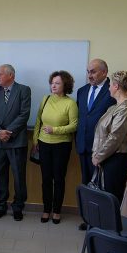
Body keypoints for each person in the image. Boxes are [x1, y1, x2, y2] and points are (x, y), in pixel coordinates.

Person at [32, 71, 78, 224]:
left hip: (62, 146)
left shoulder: (70, 103)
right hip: (44, 144)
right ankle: (46, 210)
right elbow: (38, 120)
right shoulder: (45, 99)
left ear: (65, 85)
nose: (53, 85)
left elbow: (74, 125)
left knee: (58, 179)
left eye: (57, 83)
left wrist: (55, 130)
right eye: (52, 82)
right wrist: (35, 140)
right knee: (46, 179)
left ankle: (57, 211)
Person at [0, 64, 31, 221]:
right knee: (1, 175)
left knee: (19, 176)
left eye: (0, 74)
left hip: (16, 140)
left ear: (10, 75)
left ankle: (18, 207)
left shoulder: (23, 90)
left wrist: (8, 132)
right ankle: (1, 206)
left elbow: (24, 114)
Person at [92, 70, 127, 203]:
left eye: (110, 85)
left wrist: (98, 156)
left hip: (117, 159)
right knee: (104, 198)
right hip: (108, 158)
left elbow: (115, 137)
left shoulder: (126, 108)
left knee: (112, 198)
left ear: (116, 86)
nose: (109, 88)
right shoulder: (114, 107)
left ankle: (112, 218)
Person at [75, 59, 116, 186]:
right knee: (86, 183)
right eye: (88, 72)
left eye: (93, 72)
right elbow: (81, 117)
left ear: (104, 72)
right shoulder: (82, 91)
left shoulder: (113, 90)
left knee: (101, 187)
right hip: (83, 146)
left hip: (102, 149)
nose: (89, 75)